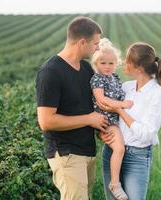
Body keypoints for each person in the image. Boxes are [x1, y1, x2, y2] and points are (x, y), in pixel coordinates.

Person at [36, 16, 108, 200]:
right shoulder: (51, 72)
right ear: (82, 42)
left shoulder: (85, 69)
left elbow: (94, 104)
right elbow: (46, 121)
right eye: (95, 43)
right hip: (66, 153)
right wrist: (89, 119)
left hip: (87, 150)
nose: (98, 48)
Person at [99, 42, 161, 200]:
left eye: (127, 61)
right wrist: (102, 135)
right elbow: (105, 110)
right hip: (112, 151)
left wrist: (119, 110)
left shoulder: (158, 95)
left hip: (136, 157)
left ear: (139, 68)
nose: (123, 63)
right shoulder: (127, 87)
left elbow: (146, 134)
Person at [90, 38, 133, 200]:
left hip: (116, 119)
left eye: (111, 63)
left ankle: (118, 180)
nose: (107, 67)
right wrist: (123, 104)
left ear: (116, 63)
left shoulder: (114, 77)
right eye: (103, 63)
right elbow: (102, 100)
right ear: (96, 63)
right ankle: (115, 184)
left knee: (120, 149)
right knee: (120, 149)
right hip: (106, 119)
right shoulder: (97, 79)